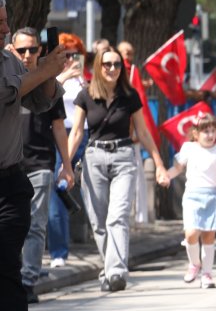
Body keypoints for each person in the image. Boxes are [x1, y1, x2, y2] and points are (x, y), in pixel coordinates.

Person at [66, 47, 170, 291]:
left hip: (123, 156)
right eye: (107, 64)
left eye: (117, 65)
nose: (112, 69)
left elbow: (143, 132)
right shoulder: (85, 95)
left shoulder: (129, 95)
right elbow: (77, 133)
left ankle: (116, 272)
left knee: (118, 216)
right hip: (94, 157)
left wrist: (159, 164)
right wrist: (66, 165)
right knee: (99, 222)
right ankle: (110, 267)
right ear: (98, 68)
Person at [2, 0, 68, 311]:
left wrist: (50, 71)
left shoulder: (12, 63)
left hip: (10, 180)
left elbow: (42, 101)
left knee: (6, 258)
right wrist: (40, 68)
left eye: (5, 21)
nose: (4, 28)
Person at [10, 30, 75, 304]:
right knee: (11, 226)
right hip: (11, 166)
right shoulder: (9, 81)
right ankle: (12, 278)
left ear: (40, 51)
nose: (27, 55)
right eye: (21, 50)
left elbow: (59, 127)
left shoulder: (48, 85)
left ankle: (27, 281)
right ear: (11, 49)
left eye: (33, 50)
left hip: (40, 164)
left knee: (36, 225)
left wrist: (67, 165)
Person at [161, 113, 216, 288]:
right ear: (195, 134)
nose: (210, 135)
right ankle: (195, 263)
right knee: (191, 233)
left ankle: (207, 274)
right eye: (205, 131)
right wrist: (167, 176)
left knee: (209, 236)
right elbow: (177, 168)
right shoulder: (188, 148)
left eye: (213, 131)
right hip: (192, 196)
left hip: (213, 196)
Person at [48, 33, 88, 269]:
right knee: (57, 187)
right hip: (59, 134)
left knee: (80, 188)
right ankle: (58, 251)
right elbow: (46, 95)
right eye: (66, 54)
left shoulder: (85, 80)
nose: (71, 59)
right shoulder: (53, 75)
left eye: (75, 54)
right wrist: (63, 76)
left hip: (82, 135)